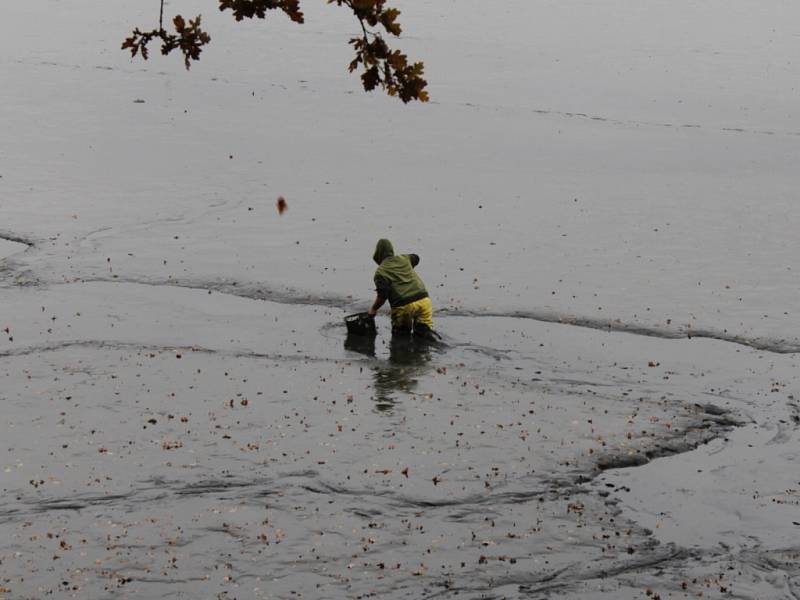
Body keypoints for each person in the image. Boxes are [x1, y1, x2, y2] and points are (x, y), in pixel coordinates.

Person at [367, 239, 435, 337]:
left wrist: (373, 309)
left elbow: (383, 295)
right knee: (424, 334)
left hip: (404, 306)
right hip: (424, 300)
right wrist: (406, 268)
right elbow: (416, 257)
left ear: (377, 254)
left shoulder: (380, 272)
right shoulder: (404, 258)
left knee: (401, 338)